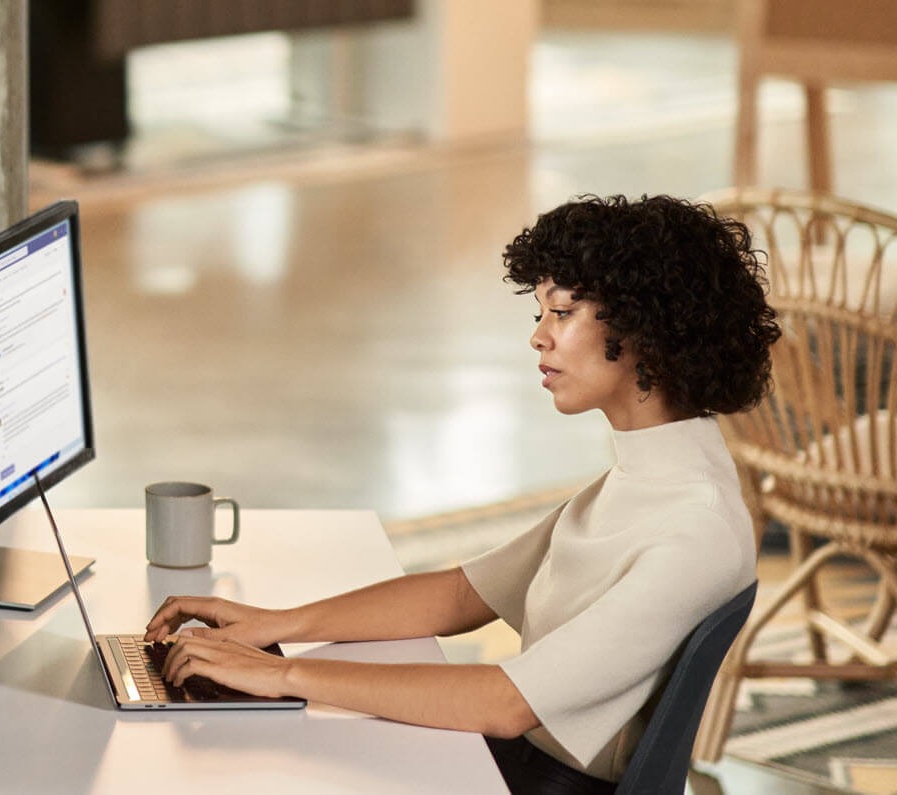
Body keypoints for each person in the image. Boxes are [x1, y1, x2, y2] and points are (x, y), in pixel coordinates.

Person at [145, 194, 781, 794]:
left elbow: (503, 703)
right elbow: (461, 594)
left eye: (561, 313)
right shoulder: (652, 474)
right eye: (541, 314)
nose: (539, 336)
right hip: (516, 762)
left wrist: (280, 674)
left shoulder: (694, 526)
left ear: (648, 330)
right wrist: (276, 625)